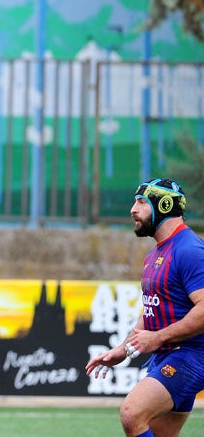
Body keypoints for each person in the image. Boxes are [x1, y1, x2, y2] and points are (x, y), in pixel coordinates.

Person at [86, 178, 204, 437]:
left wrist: (158, 338)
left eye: (141, 202)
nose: (132, 209)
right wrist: (123, 350)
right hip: (166, 356)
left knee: (132, 413)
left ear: (163, 205)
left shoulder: (190, 250)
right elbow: (152, 312)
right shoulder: (155, 254)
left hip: (191, 356)